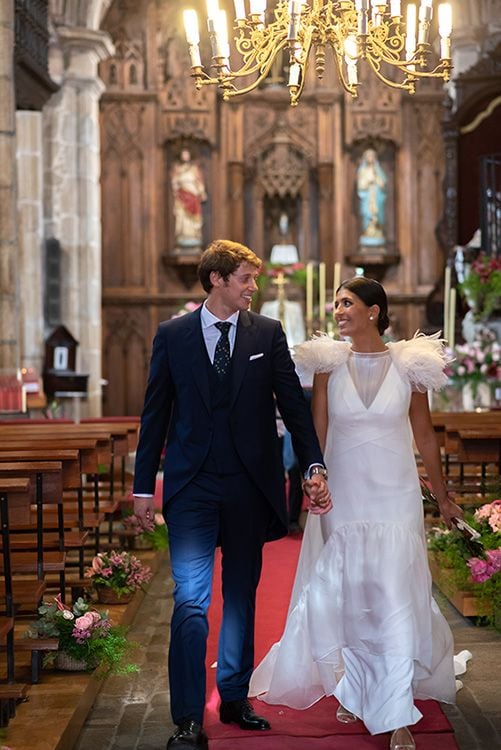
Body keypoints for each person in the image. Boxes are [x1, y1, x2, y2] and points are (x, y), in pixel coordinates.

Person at [132, 239, 332, 750]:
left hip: (248, 484)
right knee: (191, 601)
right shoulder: (172, 335)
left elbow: (293, 402)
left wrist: (312, 462)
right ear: (217, 279)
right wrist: (141, 489)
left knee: (241, 596)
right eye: (245, 278)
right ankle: (188, 718)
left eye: (254, 278)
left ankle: (235, 697)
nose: (253, 287)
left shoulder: (267, 332)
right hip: (192, 485)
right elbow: (155, 413)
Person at [250, 276, 464, 750]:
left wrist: (443, 496)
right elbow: (317, 433)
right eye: (336, 303)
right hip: (345, 495)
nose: (338, 310)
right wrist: (314, 481)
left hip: (394, 495)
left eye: (347, 303)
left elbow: (425, 436)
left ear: (374, 310)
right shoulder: (328, 365)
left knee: (391, 593)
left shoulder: (410, 366)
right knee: (349, 590)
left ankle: (396, 708)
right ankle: (352, 681)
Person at [171, 148, 207, 252]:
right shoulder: (178, 169)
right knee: (182, 217)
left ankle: (194, 238)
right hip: (182, 195)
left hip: (193, 195)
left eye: (187, 154)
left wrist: (201, 192)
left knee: (194, 219)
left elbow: (199, 182)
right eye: (184, 154)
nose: (185, 156)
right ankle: (182, 238)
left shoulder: (194, 169)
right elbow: (175, 182)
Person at [357, 148, 387, 246]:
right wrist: (368, 182)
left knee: (377, 214)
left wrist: (377, 180)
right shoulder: (363, 171)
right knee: (367, 214)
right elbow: (360, 186)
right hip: (367, 197)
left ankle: (377, 231)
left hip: (377, 196)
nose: (370, 158)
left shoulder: (378, 170)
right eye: (368, 156)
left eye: (372, 156)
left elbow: (383, 184)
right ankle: (367, 231)